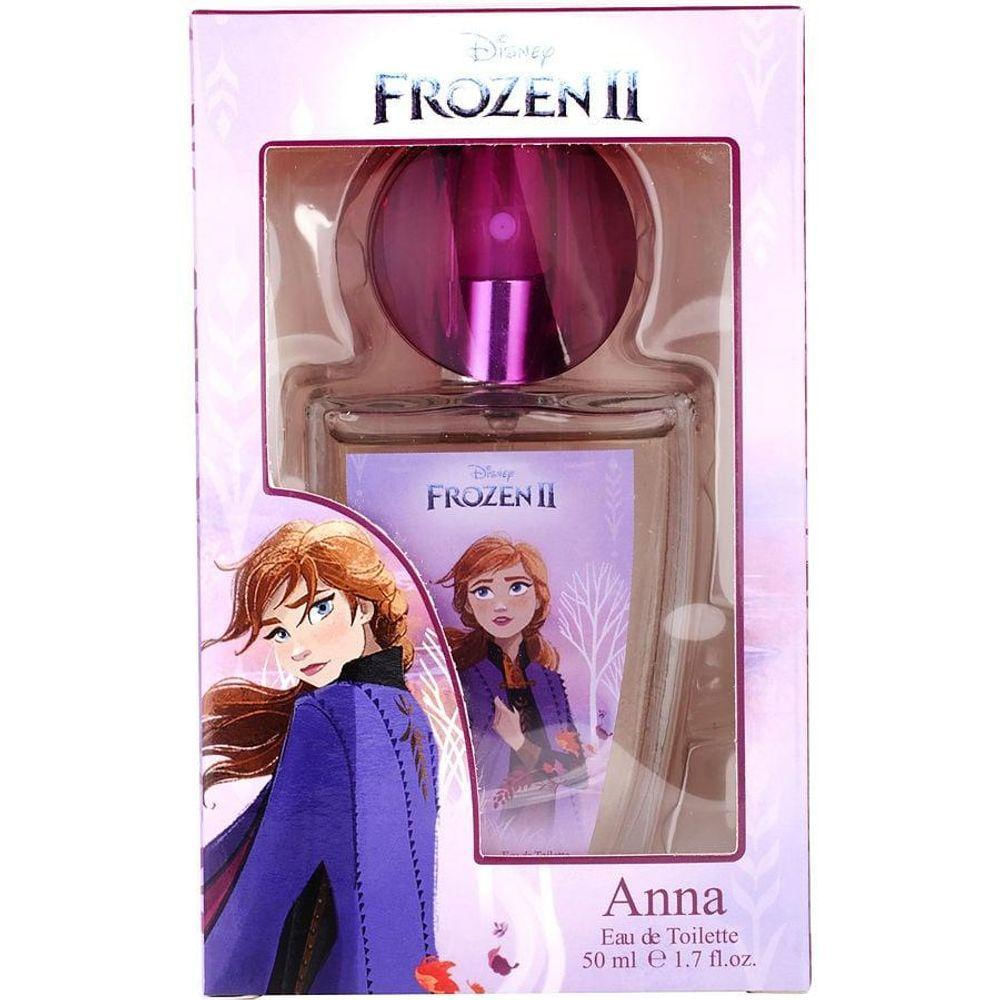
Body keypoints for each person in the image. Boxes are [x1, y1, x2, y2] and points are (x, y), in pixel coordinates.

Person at [201, 519, 437, 995]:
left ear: (363, 605)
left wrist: (221, 972)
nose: (298, 647)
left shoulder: (324, 713)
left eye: (318, 609)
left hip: (335, 969)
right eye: (278, 633)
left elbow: (273, 872)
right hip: (408, 970)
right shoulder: (411, 713)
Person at [439, 535, 586, 855]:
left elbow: (577, 774)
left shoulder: (549, 683)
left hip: (553, 839)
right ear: (468, 603)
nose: (500, 604)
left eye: (517, 587)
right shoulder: (463, 679)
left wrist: (519, 741)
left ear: (538, 597)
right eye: (483, 591)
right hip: (481, 840)